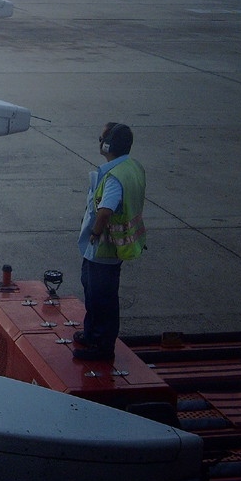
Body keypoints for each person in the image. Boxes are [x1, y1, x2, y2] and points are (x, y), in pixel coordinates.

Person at [72, 122, 147, 361]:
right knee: (92, 290)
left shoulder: (114, 177)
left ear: (107, 145)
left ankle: (103, 348)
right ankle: (91, 333)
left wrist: (94, 233)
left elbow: (105, 212)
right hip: (113, 247)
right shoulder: (130, 166)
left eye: (101, 138)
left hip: (104, 248)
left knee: (101, 297)